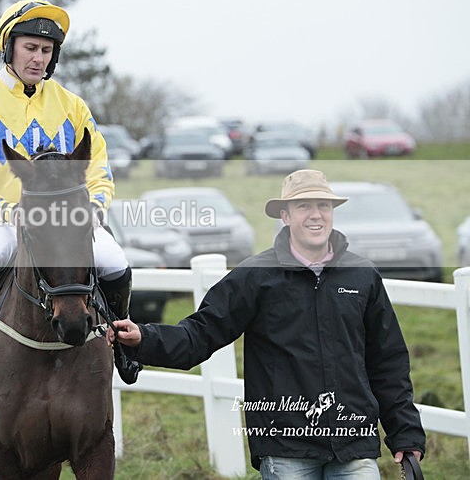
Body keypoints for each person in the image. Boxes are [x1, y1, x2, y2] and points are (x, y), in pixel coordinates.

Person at [109, 169, 425, 478]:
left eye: (323, 206)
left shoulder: (362, 275)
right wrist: (144, 339)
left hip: (353, 444)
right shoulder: (256, 276)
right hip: (286, 447)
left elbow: (388, 361)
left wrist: (406, 434)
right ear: (285, 216)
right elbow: (201, 333)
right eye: (304, 206)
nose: (316, 215)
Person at [0, 0, 139, 386]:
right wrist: (9, 212)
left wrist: (95, 206)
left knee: (114, 260)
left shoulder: (72, 106)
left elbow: (99, 169)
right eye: (30, 48)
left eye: (46, 51)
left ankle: (122, 343)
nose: (38, 58)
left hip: (69, 223)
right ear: (9, 48)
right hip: (7, 221)